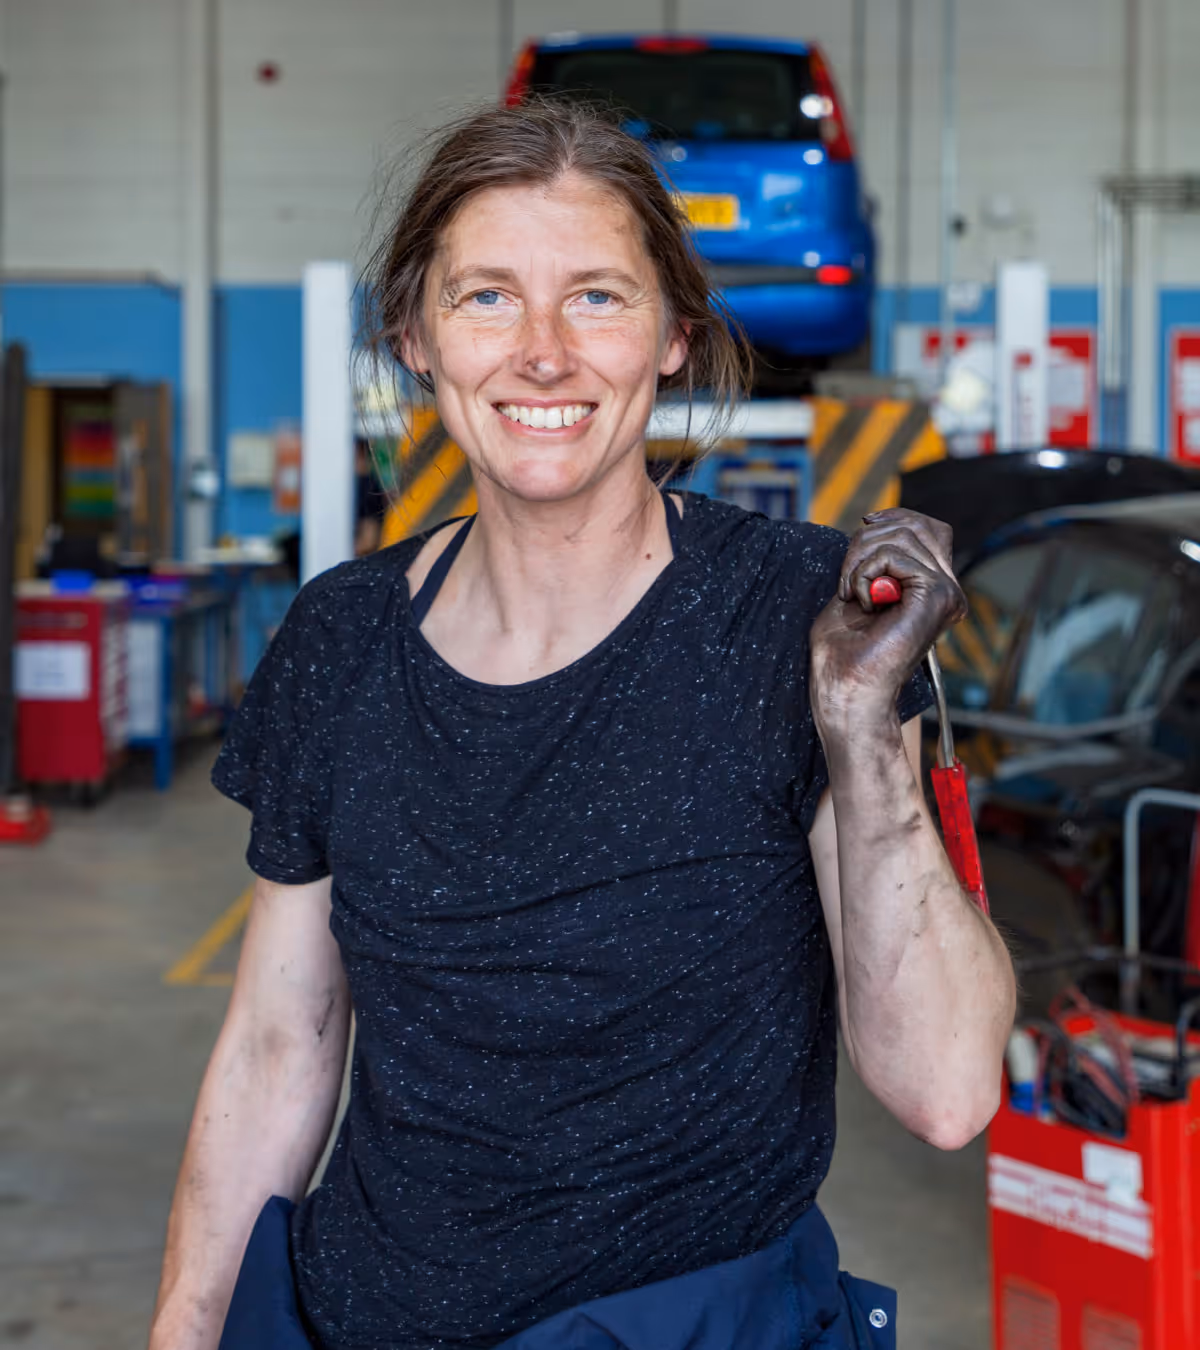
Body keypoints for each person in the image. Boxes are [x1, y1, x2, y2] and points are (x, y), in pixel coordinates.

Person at [148, 100, 1015, 1350]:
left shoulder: (797, 621)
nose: (542, 353)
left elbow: (943, 1089)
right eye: (487, 296)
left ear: (673, 338)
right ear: (416, 337)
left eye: (598, 298)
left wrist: (861, 728)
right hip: (362, 1316)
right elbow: (281, 1041)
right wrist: (185, 1328)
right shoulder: (341, 637)